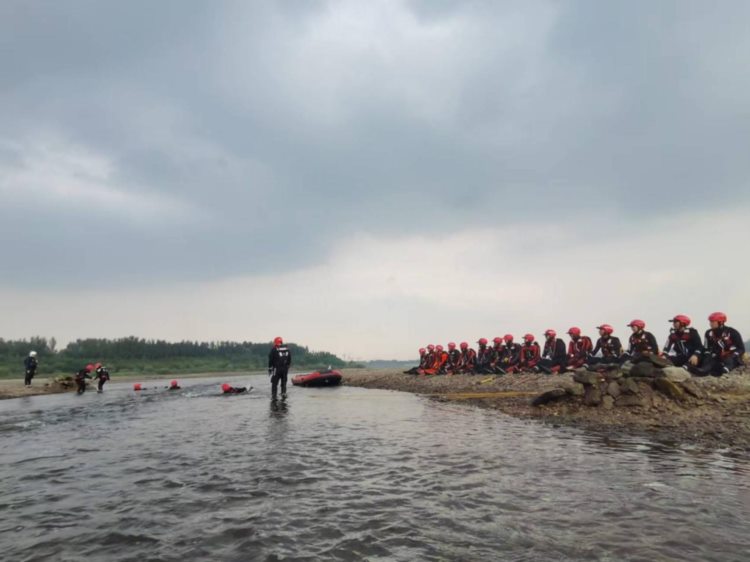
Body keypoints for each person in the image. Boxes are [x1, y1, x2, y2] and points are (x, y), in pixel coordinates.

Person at [698, 312, 745, 376]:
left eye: (713, 322)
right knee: (708, 360)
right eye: (710, 322)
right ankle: (704, 370)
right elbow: (706, 348)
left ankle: (724, 370)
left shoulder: (732, 332)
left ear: (721, 322)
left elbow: (741, 349)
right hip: (717, 357)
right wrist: (707, 355)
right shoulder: (708, 333)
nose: (710, 324)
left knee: (729, 360)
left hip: (731, 357)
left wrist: (733, 355)